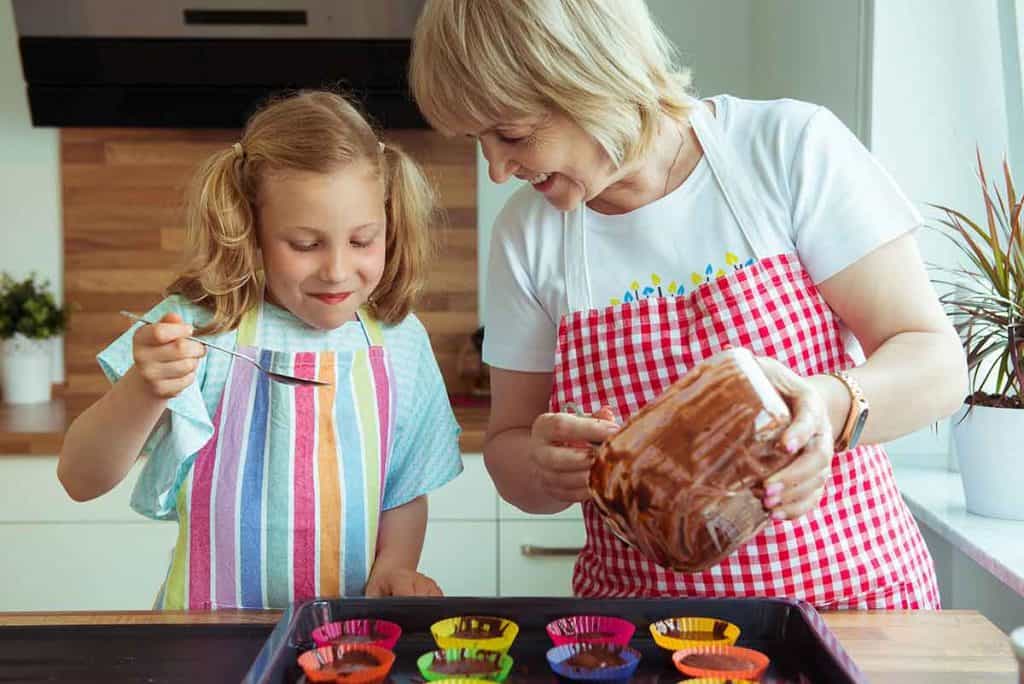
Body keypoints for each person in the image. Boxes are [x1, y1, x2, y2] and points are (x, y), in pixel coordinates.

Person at [409, 0, 967, 609]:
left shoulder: (785, 149)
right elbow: (508, 447)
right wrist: (541, 469)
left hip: (856, 612)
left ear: (588, 73)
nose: (495, 169)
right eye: (478, 141)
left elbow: (937, 363)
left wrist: (829, 409)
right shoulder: (527, 235)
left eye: (510, 135)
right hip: (645, 632)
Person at [57, 90, 462, 609]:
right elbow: (79, 478)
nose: (337, 269)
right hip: (203, 638)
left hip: (347, 639)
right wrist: (144, 388)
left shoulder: (400, 339)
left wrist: (395, 567)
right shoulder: (200, 327)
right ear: (252, 232)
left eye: (362, 240)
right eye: (305, 244)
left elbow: (405, 487)